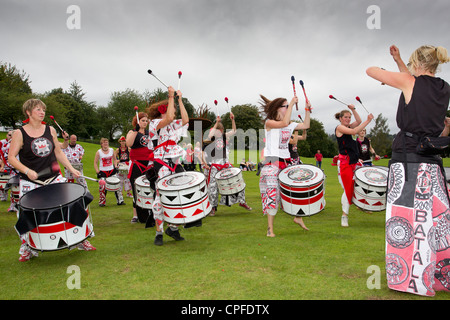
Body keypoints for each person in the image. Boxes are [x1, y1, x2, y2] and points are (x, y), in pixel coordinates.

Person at [367, 44, 450, 296]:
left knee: (405, 221)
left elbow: (370, 70)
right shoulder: (443, 87)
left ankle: (409, 279)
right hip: (432, 161)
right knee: (435, 221)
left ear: (417, 64)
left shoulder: (408, 82)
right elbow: (413, 88)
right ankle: (439, 277)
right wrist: (400, 62)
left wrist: (392, 73)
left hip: (407, 161)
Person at [8, 98, 95, 262]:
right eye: (38, 110)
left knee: (72, 204)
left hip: (54, 177)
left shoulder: (50, 130)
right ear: (28, 112)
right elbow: (11, 158)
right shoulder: (20, 133)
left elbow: (59, 152)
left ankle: (81, 239)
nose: (42, 112)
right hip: (30, 181)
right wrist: (27, 170)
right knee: (26, 214)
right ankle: (27, 247)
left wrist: (71, 169)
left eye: (43, 110)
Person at [259, 94, 311, 236]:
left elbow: (306, 125)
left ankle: (298, 217)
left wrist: (307, 110)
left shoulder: (290, 124)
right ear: (278, 109)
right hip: (272, 164)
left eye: (288, 106)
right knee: (272, 196)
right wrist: (293, 104)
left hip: (286, 164)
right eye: (285, 106)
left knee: (295, 192)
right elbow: (283, 123)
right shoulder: (269, 123)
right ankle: (270, 229)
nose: (288, 108)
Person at [148, 86, 189, 246]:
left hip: (176, 162)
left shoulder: (173, 125)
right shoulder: (155, 123)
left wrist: (180, 99)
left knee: (179, 195)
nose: (172, 112)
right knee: (160, 198)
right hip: (162, 163)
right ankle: (159, 232)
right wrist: (171, 96)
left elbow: (185, 120)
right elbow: (170, 118)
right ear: (161, 112)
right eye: (168, 109)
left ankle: (173, 228)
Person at [202, 114, 252, 217]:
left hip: (225, 163)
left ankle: (242, 201)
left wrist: (233, 120)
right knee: (212, 187)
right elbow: (210, 134)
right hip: (215, 164)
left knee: (238, 180)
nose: (219, 132)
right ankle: (213, 207)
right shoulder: (211, 138)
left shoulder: (224, 136)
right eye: (218, 130)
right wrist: (216, 122)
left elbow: (234, 131)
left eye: (220, 130)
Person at [335, 106, 374, 227]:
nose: (348, 119)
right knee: (348, 189)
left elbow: (358, 121)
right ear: (340, 118)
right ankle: (344, 216)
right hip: (345, 163)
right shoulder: (340, 128)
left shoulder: (349, 126)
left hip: (353, 162)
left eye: (349, 117)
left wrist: (353, 109)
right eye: (345, 117)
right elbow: (354, 131)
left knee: (354, 188)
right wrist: (368, 121)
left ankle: (358, 207)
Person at [126, 112, 154, 224]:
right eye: (143, 120)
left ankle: (151, 212)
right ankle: (136, 215)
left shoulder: (150, 133)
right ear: (137, 121)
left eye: (146, 121)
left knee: (150, 188)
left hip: (149, 164)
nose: (145, 123)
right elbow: (129, 143)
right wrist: (136, 131)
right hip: (137, 164)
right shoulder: (132, 132)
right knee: (136, 189)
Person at [94, 137, 124, 206]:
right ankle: (102, 202)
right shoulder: (99, 152)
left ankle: (120, 200)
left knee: (117, 185)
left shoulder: (111, 150)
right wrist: (97, 171)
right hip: (103, 172)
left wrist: (116, 166)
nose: (106, 144)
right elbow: (95, 163)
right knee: (102, 187)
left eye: (107, 142)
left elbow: (115, 159)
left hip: (111, 171)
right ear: (101, 144)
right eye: (104, 143)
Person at [0, 130, 18, 212]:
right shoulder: (7, 146)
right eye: (9, 135)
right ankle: (13, 205)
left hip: (20, 170)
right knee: (14, 188)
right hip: (15, 170)